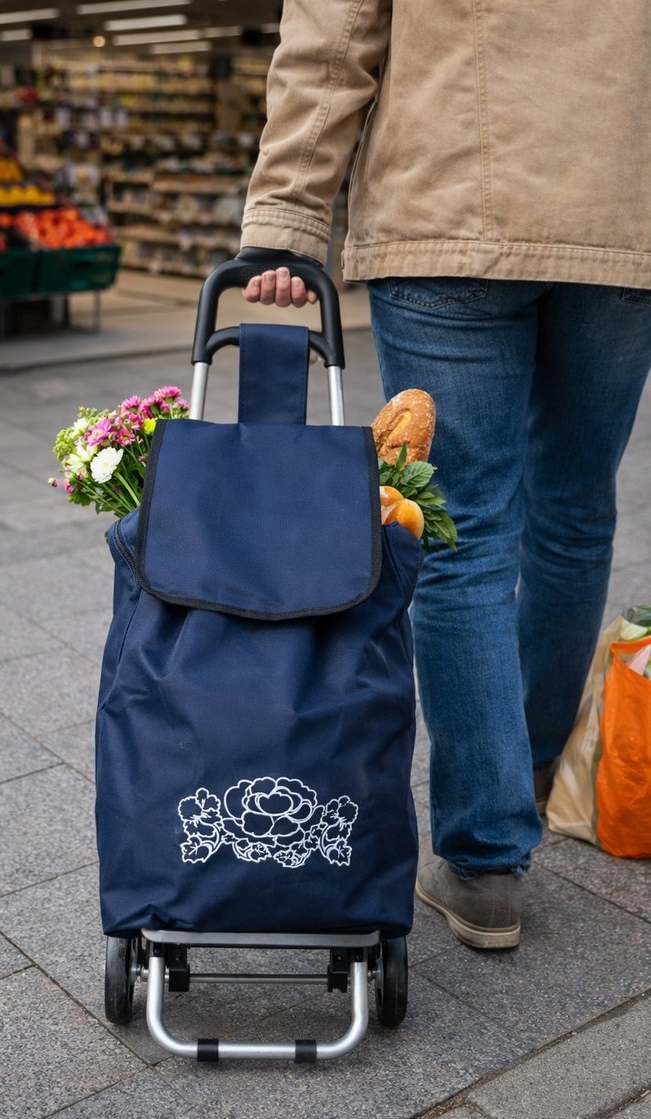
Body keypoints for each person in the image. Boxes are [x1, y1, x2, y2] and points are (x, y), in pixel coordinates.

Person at [239, 0, 651, 949]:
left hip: (451, 201)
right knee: (576, 512)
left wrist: (289, 212)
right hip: (622, 211)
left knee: (462, 530)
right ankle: (529, 769)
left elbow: (336, 28)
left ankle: (484, 860)